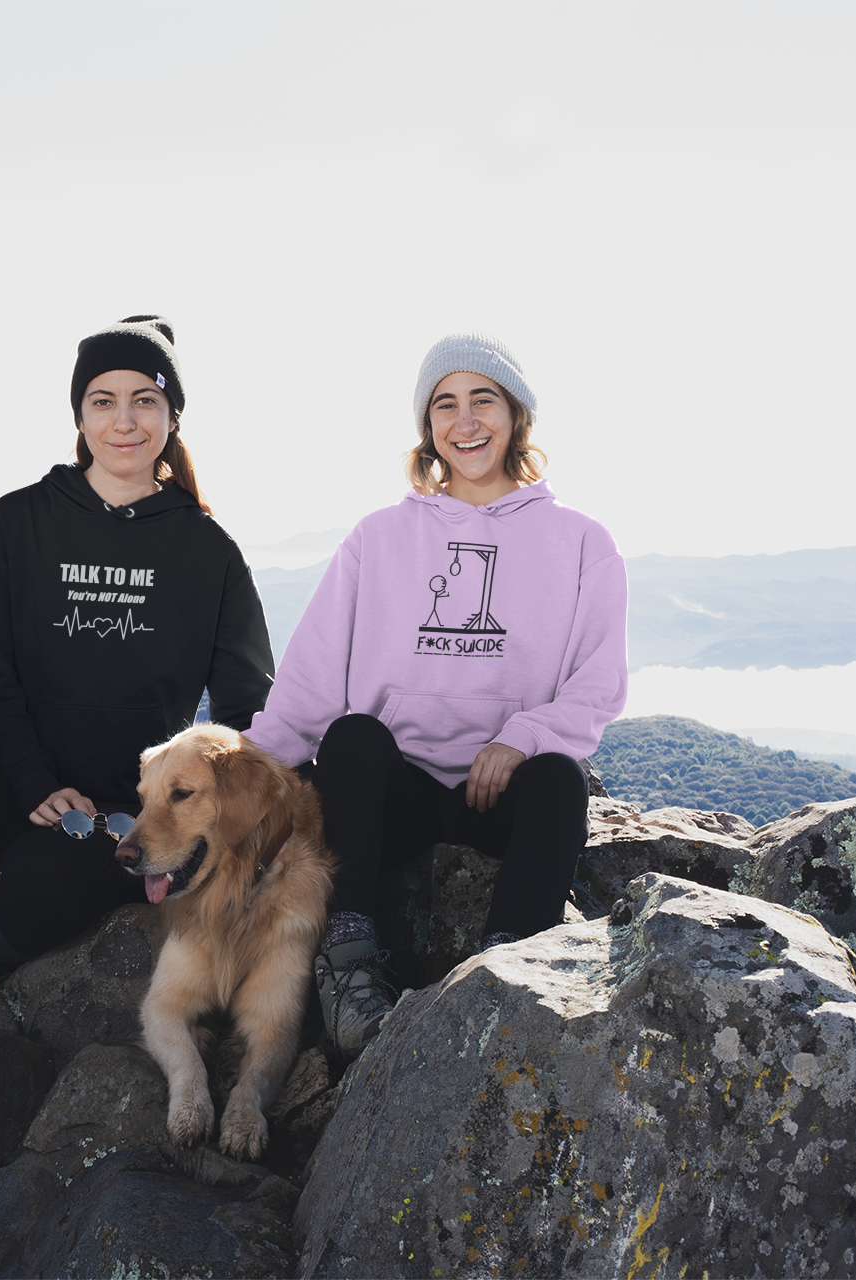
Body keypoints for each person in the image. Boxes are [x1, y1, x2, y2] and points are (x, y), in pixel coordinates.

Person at [0, 317, 274, 1014]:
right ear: (79, 415)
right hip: (12, 786)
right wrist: (36, 784)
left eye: (144, 400)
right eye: (103, 401)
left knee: (50, 881)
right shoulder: (17, 524)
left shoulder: (209, 553)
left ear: (172, 416)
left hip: (121, 818)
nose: (124, 421)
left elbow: (244, 708)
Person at [244, 333, 628, 1063]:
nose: (466, 421)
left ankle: (504, 983)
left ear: (515, 414)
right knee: (351, 740)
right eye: (445, 404)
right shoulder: (379, 537)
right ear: (428, 426)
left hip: (504, 792)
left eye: (484, 399)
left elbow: (598, 684)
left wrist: (524, 736)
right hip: (398, 799)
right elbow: (310, 684)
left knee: (559, 780)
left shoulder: (582, 541)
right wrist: (233, 779)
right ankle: (347, 969)